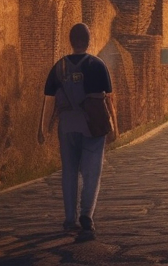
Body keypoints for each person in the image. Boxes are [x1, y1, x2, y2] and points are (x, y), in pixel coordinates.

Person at [38, 23, 118, 241]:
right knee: (92, 172)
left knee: (69, 171)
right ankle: (87, 215)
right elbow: (108, 100)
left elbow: (49, 101)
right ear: (88, 41)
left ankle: (69, 218)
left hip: (67, 124)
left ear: (70, 41)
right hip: (93, 124)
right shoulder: (98, 65)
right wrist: (114, 128)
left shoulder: (59, 67)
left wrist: (42, 129)